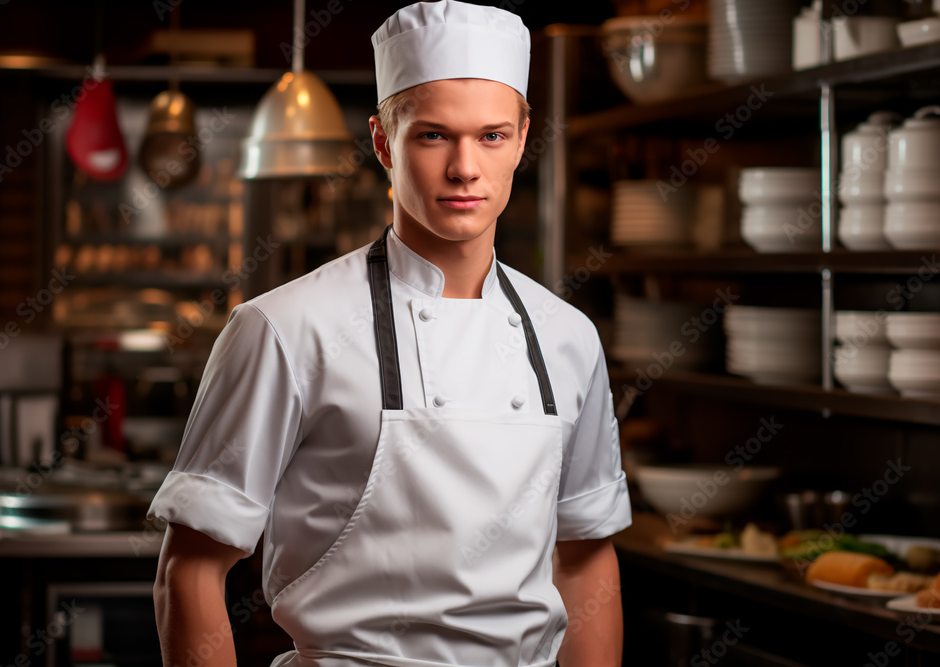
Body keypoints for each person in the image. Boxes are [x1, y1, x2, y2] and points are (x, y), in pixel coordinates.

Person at [149, 2, 632, 666]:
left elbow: (585, 555)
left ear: (523, 138)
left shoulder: (569, 337)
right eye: (434, 136)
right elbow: (191, 569)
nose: (466, 168)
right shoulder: (284, 329)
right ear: (383, 142)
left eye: (491, 136)